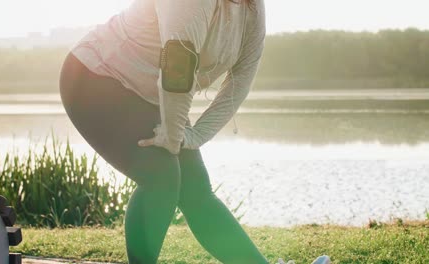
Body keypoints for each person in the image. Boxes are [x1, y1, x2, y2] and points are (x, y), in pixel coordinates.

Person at [59, 0, 330, 263]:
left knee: (196, 191)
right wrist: (174, 135)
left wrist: (195, 135)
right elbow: (178, 63)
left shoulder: (252, 8)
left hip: (157, 93)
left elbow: (241, 81)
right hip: (95, 77)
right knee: (161, 175)